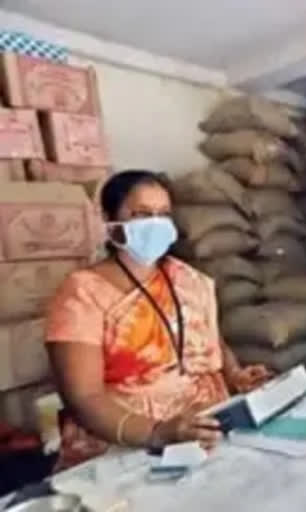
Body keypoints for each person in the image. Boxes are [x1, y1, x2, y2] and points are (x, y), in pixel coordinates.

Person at [45, 170, 271, 471]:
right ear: (111, 220)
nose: (155, 223)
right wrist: (156, 433)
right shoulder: (83, 294)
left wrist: (234, 373)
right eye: (142, 214)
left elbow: (205, 335)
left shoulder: (187, 279)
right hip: (127, 444)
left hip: (206, 428)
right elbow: (83, 397)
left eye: (164, 214)